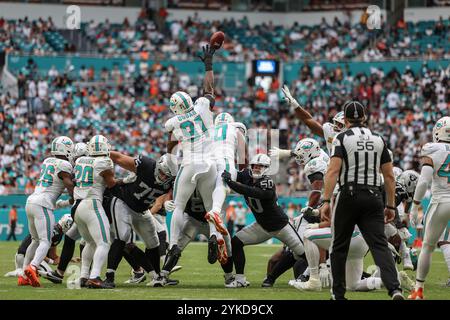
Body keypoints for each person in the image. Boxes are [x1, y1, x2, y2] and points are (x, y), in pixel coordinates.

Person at [321, 100, 404, 300]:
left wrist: (325, 200)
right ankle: (394, 289)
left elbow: (333, 171)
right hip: (374, 195)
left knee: (339, 246)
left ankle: (338, 294)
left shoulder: (341, 137)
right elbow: (390, 176)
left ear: (346, 119)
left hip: (348, 194)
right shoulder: (378, 138)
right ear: (365, 118)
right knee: (379, 245)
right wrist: (390, 204)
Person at [221, 154, 305, 288]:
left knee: (304, 254)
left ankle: (311, 276)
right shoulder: (247, 175)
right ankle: (240, 279)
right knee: (236, 242)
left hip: (281, 226)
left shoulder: (267, 182)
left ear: (266, 168)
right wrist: (223, 167)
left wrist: (230, 182)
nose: (257, 169)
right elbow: (233, 173)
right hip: (262, 226)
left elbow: (254, 192)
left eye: (260, 166)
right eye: (254, 166)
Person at [21, 136, 75, 287]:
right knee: (45, 241)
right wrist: (76, 192)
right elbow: (69, 185)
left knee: (35, 240)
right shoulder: (64, 164)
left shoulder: (47, 161)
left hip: (31, 200)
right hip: (43, 204)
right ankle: (32, 267)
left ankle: (23, 275)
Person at [408, 116, 450, 300]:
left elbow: (424, 180)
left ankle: (418, 290)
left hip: (442, 200)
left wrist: (415, 204)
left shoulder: (432, 149)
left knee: (428, 246)